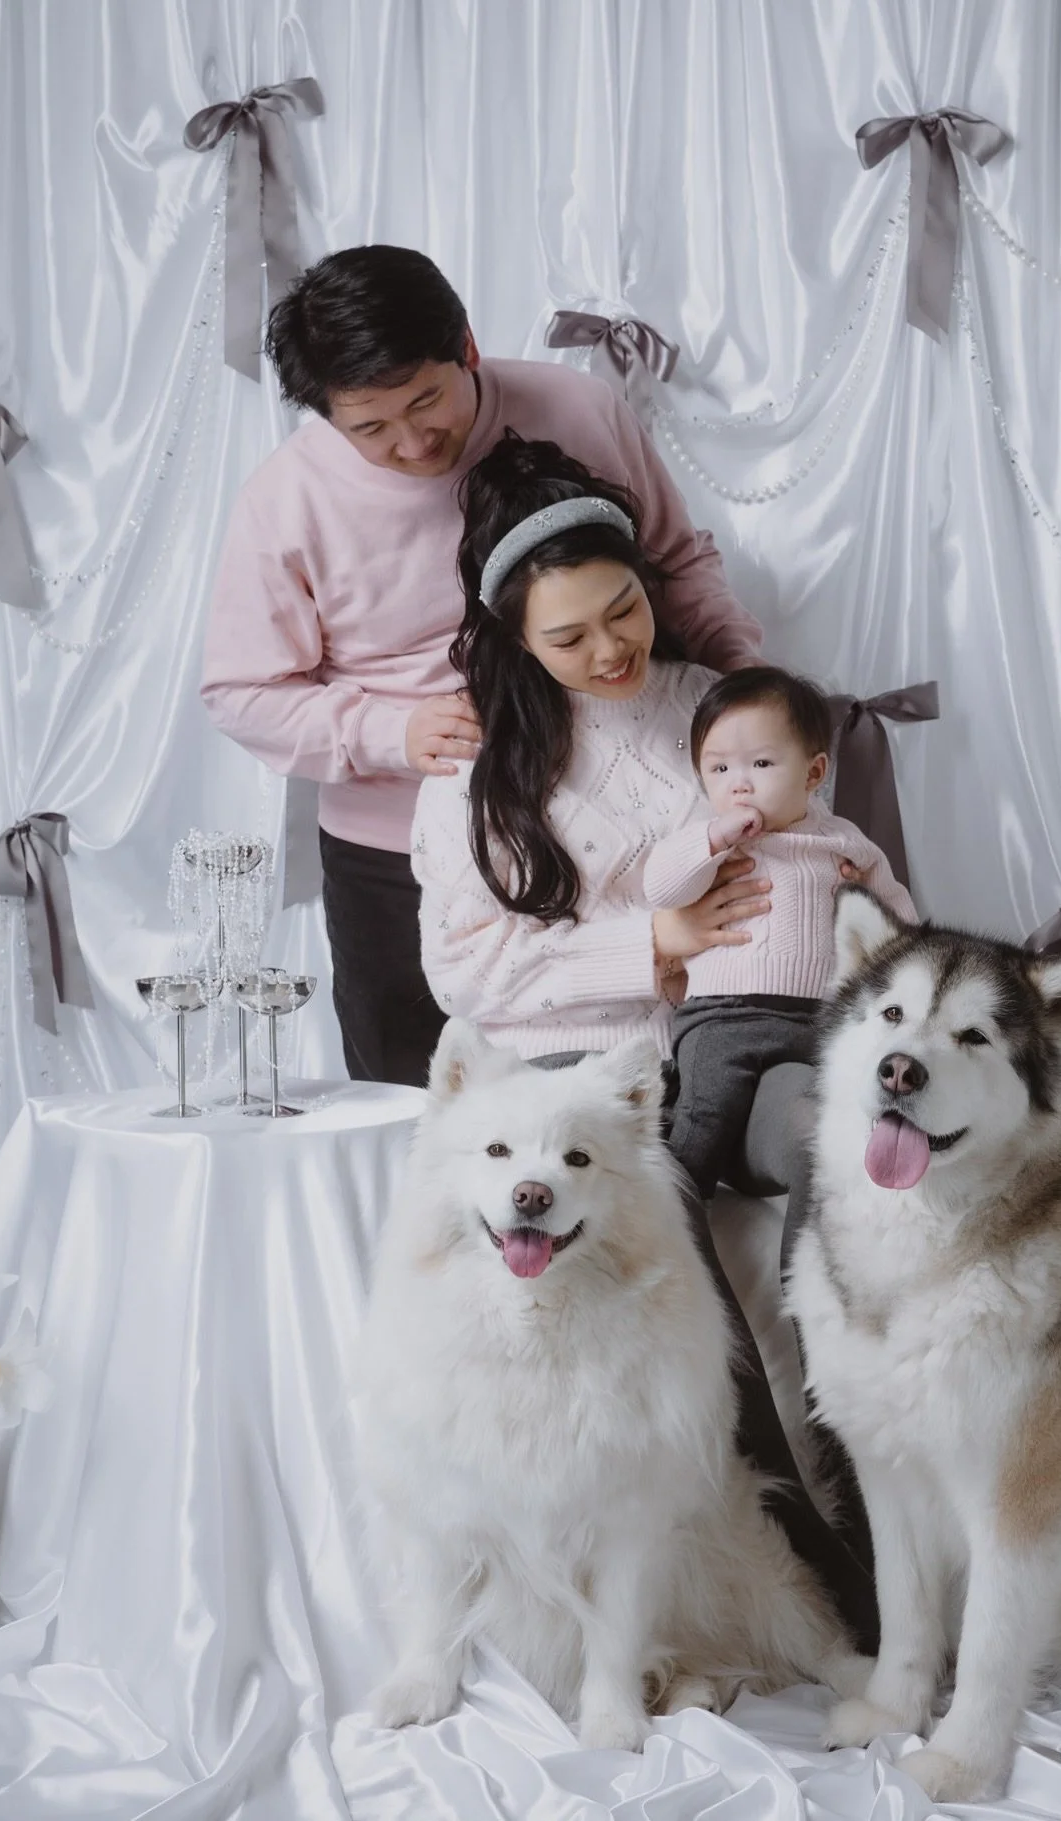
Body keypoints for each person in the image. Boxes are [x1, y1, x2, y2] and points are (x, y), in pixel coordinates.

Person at [410, 432, 880, 1653]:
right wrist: (653, 943)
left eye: (623, 611)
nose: (612, 649)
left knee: (840, 1143)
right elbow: (467, 972)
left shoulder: (716, 710)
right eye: (569, 637)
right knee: (666, 1201)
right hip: (590, 1080)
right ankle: (810, 1544)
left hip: (748, 1042)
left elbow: (809, 862)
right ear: (515, 640)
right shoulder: (478, 772)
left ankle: (865, 1469)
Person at [200, 244, 761, 1087]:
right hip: (397, 843)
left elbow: (675, 563)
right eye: (369, 429)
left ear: (465, 344)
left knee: (648, 1093)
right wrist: (389, 732)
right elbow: (240, 691)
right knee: (411, 1101)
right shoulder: (286, 499)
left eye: (426, 401)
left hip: (617, 820)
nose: (412, 441)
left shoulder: (578, 408)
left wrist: (746, 688)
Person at [643, 666, 918, 1197]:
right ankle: (674, 1215)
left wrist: (870, 902)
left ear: (814, 773)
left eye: (762, 764)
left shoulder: (843, 842)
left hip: (816, 1020)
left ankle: (818, 1241)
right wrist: (712, 840)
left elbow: (900, 924)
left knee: (835, 1129)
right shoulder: (708, 840)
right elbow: (661, 888)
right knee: (702, 1121)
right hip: (723, 1016)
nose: (739, 783)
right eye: (719, 768)